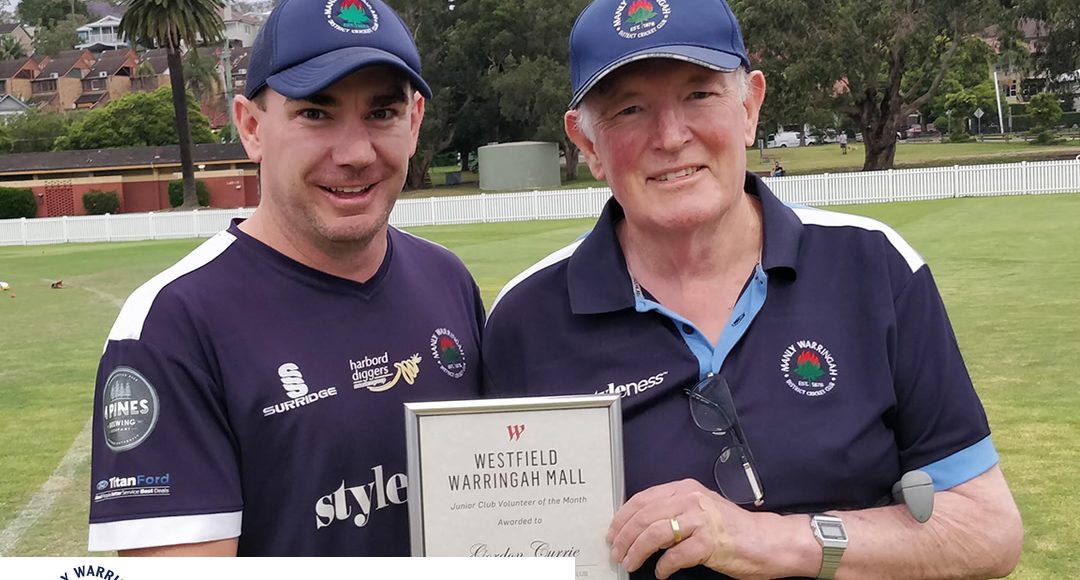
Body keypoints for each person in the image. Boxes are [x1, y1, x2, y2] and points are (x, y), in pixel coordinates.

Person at [482, 0, 1023, 578]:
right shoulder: (525, 318)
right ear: (586, 143)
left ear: (749, 106)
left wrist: (774, 540)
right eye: (629, 109)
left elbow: (986, 531)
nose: (671, 136)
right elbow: (500, 546)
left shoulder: (873, 266)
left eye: (700, 95)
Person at [88, 0, 484, 556]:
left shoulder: (447, 279)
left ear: (414, 122)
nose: (355, 153)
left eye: (382, 113)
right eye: (315, 114)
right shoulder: (172, 324)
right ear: (251, 127)